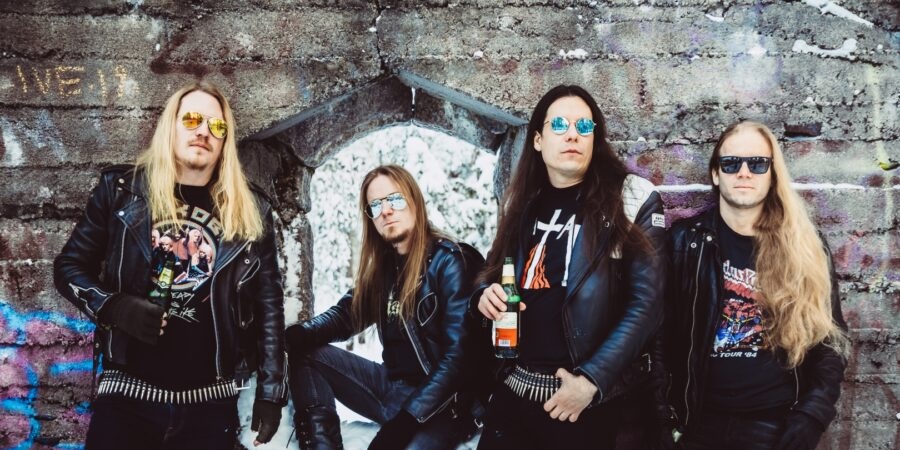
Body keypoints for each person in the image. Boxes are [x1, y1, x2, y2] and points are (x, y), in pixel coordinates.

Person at [53, 82, 287, 449]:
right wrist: (115, 307)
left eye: (217, 126)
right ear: (171, 126)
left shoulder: (251, 211)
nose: (203, 131)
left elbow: (269, 304)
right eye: (192, 119)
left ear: (225, 140)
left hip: (209, 404)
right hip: (127, 397)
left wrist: (272, 392)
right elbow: (68, 267)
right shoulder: (122, 190)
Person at [474, 85, 666, 449]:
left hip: (584, 403)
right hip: (515, 392)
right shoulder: (522, 203)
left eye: (584, 126)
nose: (573, 134)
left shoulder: (631, 198)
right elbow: (491, 275)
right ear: (538, 140)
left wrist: (592, 381)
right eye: (560, 125)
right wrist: (484, 296)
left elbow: (648, 304)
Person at [657, 120, 849, 450]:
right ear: (715, 174)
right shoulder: (684, 243)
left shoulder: (806, 246)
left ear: (772, 174)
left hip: (775, 425)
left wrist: (812, 416)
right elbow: (657, 336)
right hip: (696, 423)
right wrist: (663, 416)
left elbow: (829, 340)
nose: (744, 173)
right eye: (731, 163)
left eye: (757, 164)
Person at [285, 165, 485, 450]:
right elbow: (347, 314)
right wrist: (301, 334)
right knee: (307, 353)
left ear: (415, 200)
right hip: (391, 389)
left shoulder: (450, 262)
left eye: (395, 199)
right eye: (376, 205)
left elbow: (458, 359)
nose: (386, 211)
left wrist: (405, 422)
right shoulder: (385, 268)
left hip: (443, 406)